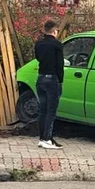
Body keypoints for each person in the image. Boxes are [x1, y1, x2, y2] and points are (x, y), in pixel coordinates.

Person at [34, 20, 64, 150]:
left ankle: (43, 138)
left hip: (40, 78)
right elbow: (60, 65)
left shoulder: (38, 44)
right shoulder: (57, 45)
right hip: (52, 79)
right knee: (51, 111)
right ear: (54, 31)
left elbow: (38, 58)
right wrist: (60, 80)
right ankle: (47, 138)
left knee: (43, 110)